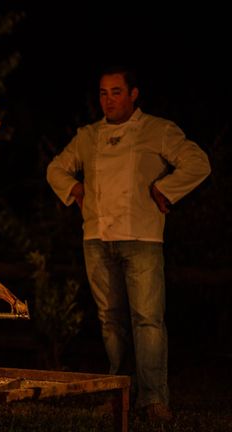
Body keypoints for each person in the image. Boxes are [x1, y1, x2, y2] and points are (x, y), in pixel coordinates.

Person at [46, 65, 210, 422]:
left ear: (134, 94)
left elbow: (198, 162)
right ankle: (117, 392)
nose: (109, 100)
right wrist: (75, 190)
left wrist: (165, 188)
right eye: (103, 93)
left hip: (142, 239)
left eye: (116, 92)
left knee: (148, 320)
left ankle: (153, 399)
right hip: (97, 238)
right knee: (110, 321)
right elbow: (55, 168)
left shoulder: (157, 129)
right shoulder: (88, 136)